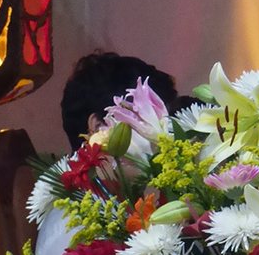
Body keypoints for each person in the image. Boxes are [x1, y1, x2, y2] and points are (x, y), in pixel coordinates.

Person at [36, 51, 180, 254]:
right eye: (148, 120)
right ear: (99, 127)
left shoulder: (115, 204)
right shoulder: (74, 227)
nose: (165, 138)